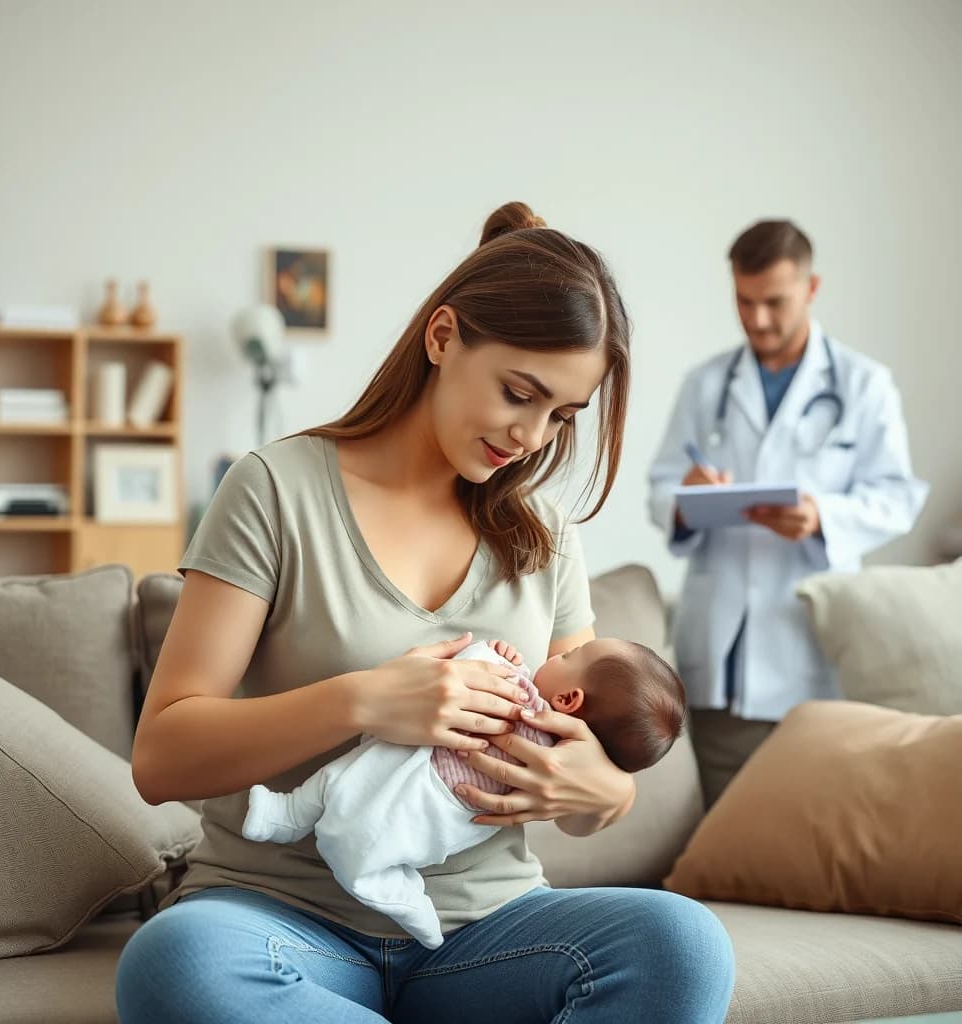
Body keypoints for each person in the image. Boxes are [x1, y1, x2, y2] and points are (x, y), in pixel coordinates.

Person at [117, 201, 735, 1023]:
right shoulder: (274, 491)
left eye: (560, 415)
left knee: (683, 946)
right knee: (176, 964)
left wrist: (601, 793)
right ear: (443, 337)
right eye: (519, 393)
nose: (532, 435)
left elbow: (595, 775)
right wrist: (366, 700)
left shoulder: (546, 535)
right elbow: (162, 757)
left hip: (488, 930)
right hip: (283, 919)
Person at [648, 219, 928, 808]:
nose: (757, 320)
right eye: (744, 301)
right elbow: (661, 488)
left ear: (811, 288)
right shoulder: (706, 385)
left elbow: (897, 496)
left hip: (808, 651)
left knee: (807, 819)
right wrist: (690, 498)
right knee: (716, 826)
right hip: (718, 662)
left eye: (774, 302)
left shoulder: (864, 385)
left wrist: (823, 515)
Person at [240, 635, 687, 949]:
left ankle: (380, 879)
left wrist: (614, 790)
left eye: (568, 654)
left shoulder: (530, 707)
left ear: (569, 700)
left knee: (360, 819)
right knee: (352, 786)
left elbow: (477, 667)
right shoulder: (538, 707)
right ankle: (303, 823)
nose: (556, 653)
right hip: (416, 782)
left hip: (443, 804)